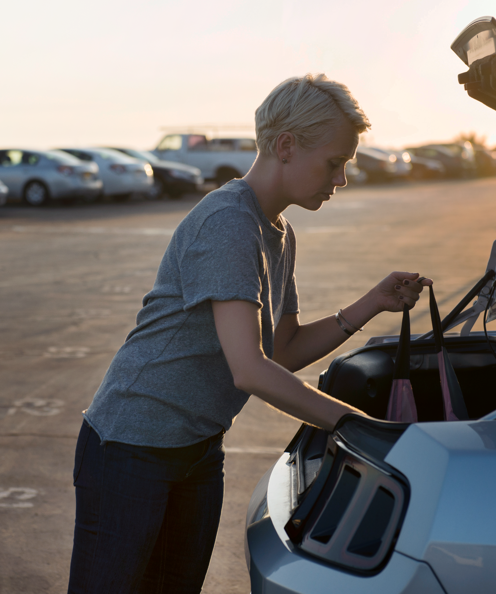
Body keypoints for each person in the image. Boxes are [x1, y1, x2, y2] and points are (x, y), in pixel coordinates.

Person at [67, 73, 431, 594]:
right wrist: (361, 428)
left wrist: (370, 305)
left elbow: (280, 353)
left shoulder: (277, 231)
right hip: (131, 446)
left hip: (197, 446)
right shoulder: (228, 221)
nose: (343, 178)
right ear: (286, 146)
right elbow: (249, 368)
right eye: (335, 162)